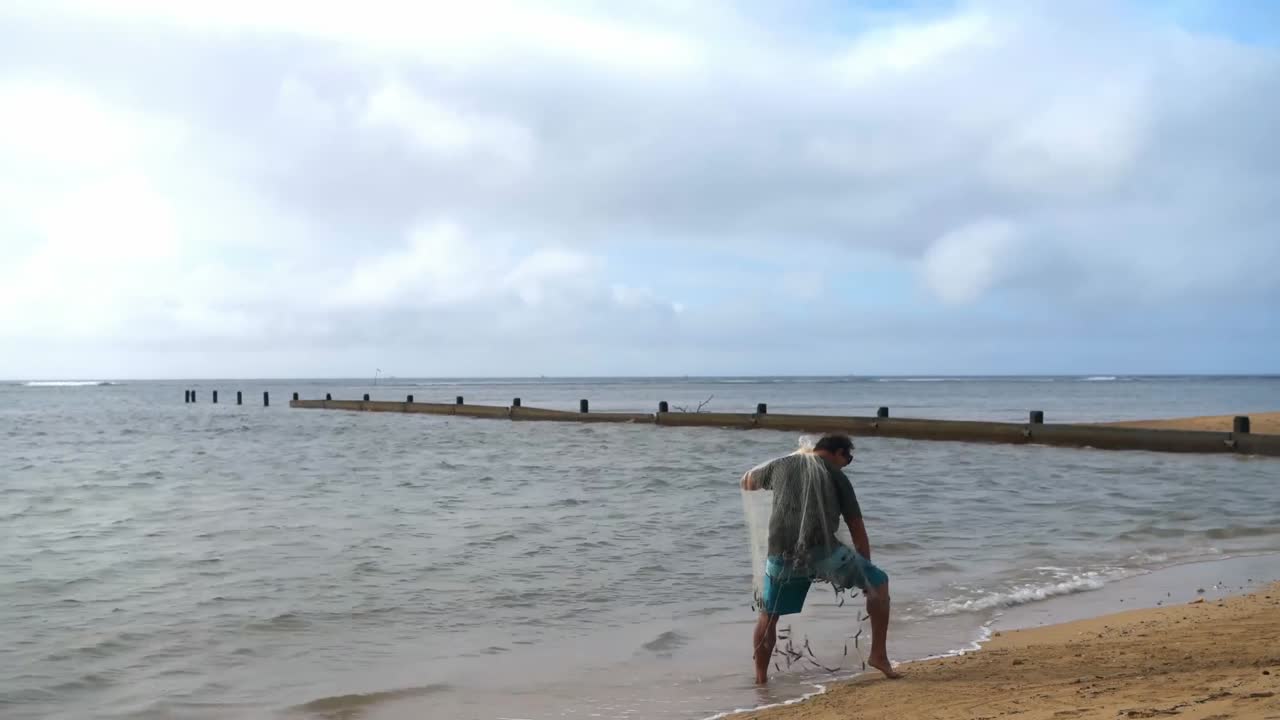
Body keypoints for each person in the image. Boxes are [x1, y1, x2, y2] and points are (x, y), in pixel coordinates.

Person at [740, 433, 900, 684]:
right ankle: (878, 655)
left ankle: (760, 679)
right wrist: (866, 574)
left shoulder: (782, 465)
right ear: (838, 452)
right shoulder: (837, 476)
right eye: (847, 459)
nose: (846, 464)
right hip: (824, 553)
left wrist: (783, 468)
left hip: (782, 554)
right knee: (879, 582)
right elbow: (856, 528)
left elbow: (747, 483)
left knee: (768, 615)